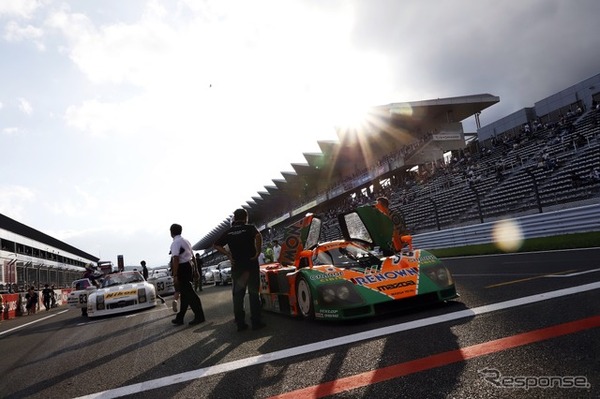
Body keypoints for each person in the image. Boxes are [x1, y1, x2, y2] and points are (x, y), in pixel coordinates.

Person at [214, 208, 266, 332]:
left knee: (238, 295)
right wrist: (258, 252)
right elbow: (258, 235)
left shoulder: (229, 232)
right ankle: (256, 322)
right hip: (251, 264)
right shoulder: (249, 228)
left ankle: (240, 323)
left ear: (234, 218)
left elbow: (216, 244)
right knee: (254, 294)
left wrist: (228, 254)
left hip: (237, 266)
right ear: (245, 218)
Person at [169, 223, 205, 326]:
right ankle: (180, 317)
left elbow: (176, 259)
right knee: (185, 295)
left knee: (190, 294)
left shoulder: (175, 243)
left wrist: (175, 275)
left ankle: (199, 316)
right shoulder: (186, 241)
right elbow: (192, 256)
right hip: (189, 266)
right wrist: (196, 271)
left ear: (171, 232)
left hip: (182, 268)